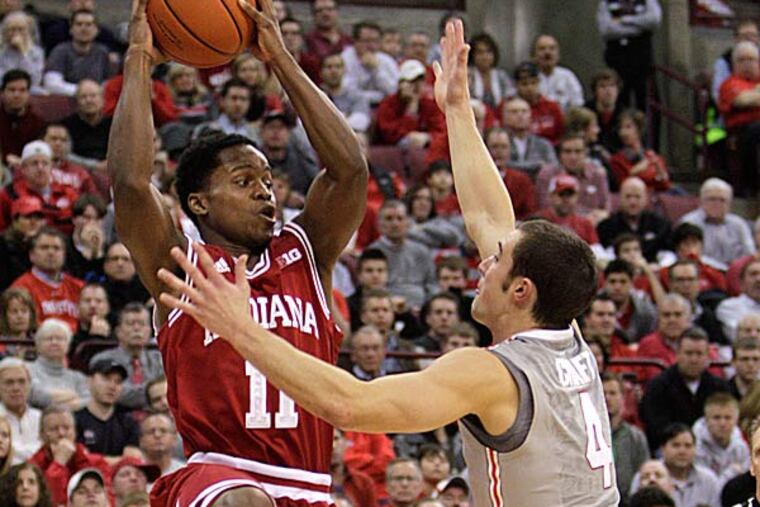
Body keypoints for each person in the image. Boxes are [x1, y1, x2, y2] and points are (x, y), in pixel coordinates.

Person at [157, 20, 619, 505]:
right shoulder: (567, 336)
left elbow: (350, 406)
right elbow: (488, 214)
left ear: (522, 291)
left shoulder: (489, 374)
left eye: (497, 261)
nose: (483, 263)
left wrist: (240, 327)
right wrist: (458, 112)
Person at [110, 0, 367, 504]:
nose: (265, 193)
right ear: (199, 203)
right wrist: (139, 58)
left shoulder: (307, 251)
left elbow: (350, 170)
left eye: (269, 181)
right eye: (245, 181)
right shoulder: (182, 266)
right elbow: (130, 182)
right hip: (219, 477)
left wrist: (279, 57)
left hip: (309, 486)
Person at [640, 327, 731, 451]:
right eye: (689, 353)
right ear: (677, 354)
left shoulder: (720, 388)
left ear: (708, 357)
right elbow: (656, 427)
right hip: (670, 451)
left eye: (699, 354)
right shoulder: (658, 386)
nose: (693, 359)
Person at [28, 405, 110, 506]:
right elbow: (51, 503)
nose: (61, 433)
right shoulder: (32, 467)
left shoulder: (97, 463)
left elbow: (107, 501)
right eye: (54, 429)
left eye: (66, 428)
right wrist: (58, 464)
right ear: (42, 435)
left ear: (75, 432)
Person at [89, 303, 163, 409]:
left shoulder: (160, 359)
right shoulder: (102, 360)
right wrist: (153, 392)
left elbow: (169, 390)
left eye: (141, 324)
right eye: (130, 324)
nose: (136, 328)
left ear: (150, 331)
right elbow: (114, 394)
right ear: (118, 331)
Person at [11, 227, 84, 330]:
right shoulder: (21, 288)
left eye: (56, 248)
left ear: (64, 254)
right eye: (44, 248)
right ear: (32, 255)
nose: (51, 253)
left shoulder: (80, 287)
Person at [0, 142, 80, 234]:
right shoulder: (9, 194)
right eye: (34, 163)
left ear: (51, 167)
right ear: (23, 168)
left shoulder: (69, 193)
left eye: (45, 163)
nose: (40, 168)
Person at [597, 0, 662, 111]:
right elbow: (606, 29)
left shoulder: (647, 2)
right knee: (620, 99)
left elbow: (654, 20)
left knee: (646, 100)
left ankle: (647, 127)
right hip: (617, 60)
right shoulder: (606, 3)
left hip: (642, 60)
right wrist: (640, 28)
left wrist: (625, 20)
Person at [679, 178, 755, 268]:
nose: (717, 204)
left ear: (729, 204)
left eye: (722, 200)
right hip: (702, 272)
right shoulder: (689, 223)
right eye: (712, 199)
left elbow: (750, 254)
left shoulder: (739, 224)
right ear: (701, 201)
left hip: (735, 273)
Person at [74, 359, 140, 459]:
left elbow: (131, 460)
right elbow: (80, 460)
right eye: (106, 379)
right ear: (90, 381)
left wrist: (94, 459)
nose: (112, 386)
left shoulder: (129, 422)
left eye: (118, 382)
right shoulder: (74, 420)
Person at [596, 176, 671, 262]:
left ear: (646, 198)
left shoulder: (661, 225)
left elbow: (669, 254)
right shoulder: (605, 226)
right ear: (620, 198)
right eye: (628, 197)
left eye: (637, 197)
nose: (633, 202)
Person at [603, 372, 650, 503]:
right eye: (602, 393)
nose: (606, 398)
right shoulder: (585, 435)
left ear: (622, 398)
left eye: (612, 393)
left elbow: (644, 474)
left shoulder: (636, 437)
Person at [43, 9, 114, 96]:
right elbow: (51, 85)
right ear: (71, 29)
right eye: (79, 24)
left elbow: (108, 83)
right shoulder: (60, 51)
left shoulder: (102, 52)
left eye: (89, 25)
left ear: (97, 30)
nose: (83, 29)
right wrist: (85, 91)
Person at [27, 318, 89, 409]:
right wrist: (74, 396)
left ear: (68, 346)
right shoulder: (26, 370)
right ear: (38, 345)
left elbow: (90, 400)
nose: (54, 342)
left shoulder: (78, 377)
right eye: (48, 339)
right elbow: (36, 397)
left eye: (60, 339)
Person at [693, 392, 749, 489]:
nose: (722, 423)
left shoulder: (741, 446)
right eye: (716, 418)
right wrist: (730, 473)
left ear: (736, 420)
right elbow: (707, 488)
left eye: (728, 418)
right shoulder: (695, 446)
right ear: (706, 420)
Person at [610, 109, 671, 192]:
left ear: (639, 129)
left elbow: (665, 185)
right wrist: (635, 172)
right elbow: (623, 187)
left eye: (628, 127)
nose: (623, 132)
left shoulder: (652, 156)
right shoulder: (617, 160)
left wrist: (659, 170)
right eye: (621, 128)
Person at [341, 21, 399, 106]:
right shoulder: (345, 59)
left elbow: (395, 91)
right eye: (367, 41)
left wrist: (376, 70)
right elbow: (348, 93)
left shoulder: (387, 60)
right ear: (355, 41)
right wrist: (381, 97)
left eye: (375, 41)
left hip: (383, 108)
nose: (372, 46)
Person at [500, 96, 557, 178]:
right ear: (504, 117)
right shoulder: (498, 142)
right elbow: (500, 164)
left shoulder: (543, 144)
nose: (520, 115)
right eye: (514, 112)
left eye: (524, 111)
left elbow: (553, 167)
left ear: (530, 116)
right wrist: (537, 165)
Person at [0, 69, 44, 162]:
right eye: (12, 90)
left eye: (22, 90)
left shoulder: (37, 122)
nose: (17, 95)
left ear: (28, 94)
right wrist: (5, 158)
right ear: (2, 93)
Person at [711, 19, 759, 103]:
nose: (749, 39)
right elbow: (718, 95)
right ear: (736, 39)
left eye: (753, 35)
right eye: (744, 35)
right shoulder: (724, 61)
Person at [533, 34, 584, 112]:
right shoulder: (530, 78)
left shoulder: (567, 76)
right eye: (542, 49)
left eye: (552, 48)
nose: (547, 53)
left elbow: (578, 103)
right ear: (535, 54)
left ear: (558, 54)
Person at [0, 12, 44, 94]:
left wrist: (23, 52)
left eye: (21, 29)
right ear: (5, 32)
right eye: (12, 29)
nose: (16, 33)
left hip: (29, 92)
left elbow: (35, 80)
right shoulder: (1, 51)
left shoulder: (37, 53)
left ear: (28, 31)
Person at [467, 32, 513, 111]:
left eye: (488, 52)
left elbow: (510, 96)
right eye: (480, 52)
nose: (485, 56)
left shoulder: (501, 76)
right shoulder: (467, 75)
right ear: (472, 55)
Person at [717, 259, 760, 342]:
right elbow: (740, 337)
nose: (758, 279)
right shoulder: (729, 307)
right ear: (741, 282)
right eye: (753, 274)